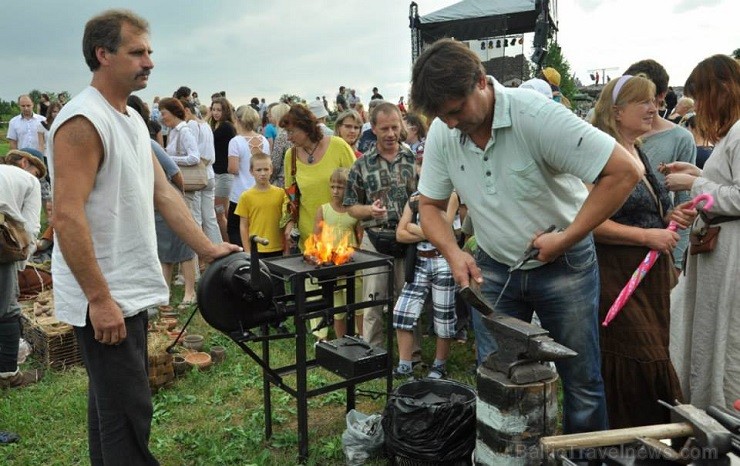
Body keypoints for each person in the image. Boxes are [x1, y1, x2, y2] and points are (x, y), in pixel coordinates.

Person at [410, 38, 641, 434]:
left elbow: (624, 172)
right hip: (494, 268)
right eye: (441, 116)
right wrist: (452, 251)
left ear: (481, 81)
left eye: (456, 110)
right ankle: (510, 456)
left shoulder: (535, 115)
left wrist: (566, 237)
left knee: (581, 380)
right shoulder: (443, 132)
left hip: (565, 265)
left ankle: (583, 462)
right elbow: (429, 206)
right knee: (498, 378)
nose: (450, 123)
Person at [46, 11, 239, 464]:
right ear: (103, 54)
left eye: (149, 50)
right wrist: (99, 298)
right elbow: (67, 216)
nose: (149, 61)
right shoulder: (82, 121)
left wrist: (208, 248)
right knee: (130, 411)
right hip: (105, 294)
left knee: (112, 411)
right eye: (137, 52)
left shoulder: (130, 119)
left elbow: (164, 194)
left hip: (127, 290)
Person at [590, 75, 696, 428]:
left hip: (648, 275)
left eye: (655, 101)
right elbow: (590, 224)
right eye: (644, 103)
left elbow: (652, 212)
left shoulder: (637, 151)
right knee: (635, 353)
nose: (655, 108)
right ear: (617, 112)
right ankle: (630, 438)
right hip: (616, 274)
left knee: (653, 350)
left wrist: (671, 217)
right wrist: (647, 237)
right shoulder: (600, 153)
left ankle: (651, 436)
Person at [663, 54, 740, 411]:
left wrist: (694, 185)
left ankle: (722, 416)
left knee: (726, 339)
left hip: (731, 257)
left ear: (723, 90)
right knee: (713, 334)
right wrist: (698, 173)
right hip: (721, 254)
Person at [343, 101, 423, 361]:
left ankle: (411, 356)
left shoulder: (412, 159)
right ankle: (372, 354)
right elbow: (350, 206)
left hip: (407, 240)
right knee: (372, 302)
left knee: (409, 300)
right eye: (384, 128)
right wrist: (369, 211)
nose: (390, 133)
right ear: (373, 129)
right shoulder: (362, 164)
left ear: (401, 126)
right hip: (374, 240)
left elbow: (425, 198)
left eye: (394, 127)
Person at [623, 59, 696, 274]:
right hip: (610, 251)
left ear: (660, 97)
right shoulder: (608, 136)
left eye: (644, 97)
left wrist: (676, 259)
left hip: (657, 253)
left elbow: (684, 206)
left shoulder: (680, 138)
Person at [393, 154, 460, 380]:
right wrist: (428, 233)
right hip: (419, 261)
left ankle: (439, 365)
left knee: (443, 314)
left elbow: (445, 229)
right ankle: (405, 364)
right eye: (421, 166)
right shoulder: (414, 198)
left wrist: (414, 228)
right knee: (402, 311)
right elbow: (400, 234)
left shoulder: (450, 195)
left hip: (443, 260)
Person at [280, 104, 356, 251]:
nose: (288, 137)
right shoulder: (291, 155)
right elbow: (289, 196)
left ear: (306, 128)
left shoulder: (338, 146)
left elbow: (358, 184)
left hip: (341, 235)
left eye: (291, 132)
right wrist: (289, 222)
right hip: (309, 237)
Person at [0, 150, 45, 390]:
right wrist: (22, 261)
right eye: (37, 173)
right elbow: (30, 227)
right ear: (26, 163)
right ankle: (8, 374)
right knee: (7, 309)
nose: (36, 178)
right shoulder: (29, 181)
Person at [309, 168, 364, 342]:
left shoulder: (355, 212)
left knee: (358, 304)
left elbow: (360, 238)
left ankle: (361, 337)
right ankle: (341, 341)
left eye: (339, 187)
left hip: (352, 263)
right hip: (331, 264)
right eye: (332, 186)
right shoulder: (323, 210)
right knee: (338, 307)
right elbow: (315, 237)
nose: (335, 191)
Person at [159, 97, 200, 305]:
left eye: (163, 113)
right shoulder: (173, 132)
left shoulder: (184, 131)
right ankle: (168, 290)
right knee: (170, 239)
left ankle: (190, 289)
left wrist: (169, 159)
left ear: (173, 112)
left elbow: (194, 157)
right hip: (174, 188)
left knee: (185, 237)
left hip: (185, 188)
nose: (161, 117)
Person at [227, 105, 270, 247]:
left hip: (240, 192)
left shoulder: (235, 141)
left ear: (237, 120)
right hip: (260, 191)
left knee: (236, 230)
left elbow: (233, 168)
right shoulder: (263, 140)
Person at [234, 152, 285, 257]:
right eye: (258, 170)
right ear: (251, 172)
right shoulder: (246, 196)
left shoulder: (281, 193)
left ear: (271, 170)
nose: (263, 173)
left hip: (278, 247)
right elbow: (243, 226)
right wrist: (247, 251)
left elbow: (284, 221)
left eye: (266, 169)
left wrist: (286, 248)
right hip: (256, 248)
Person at [209, 96, 237, 240]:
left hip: (224, 175)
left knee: (220, 214)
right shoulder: (219, 126)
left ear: (225, 111)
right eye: (213, 109)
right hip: (218, 174)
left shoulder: (226, 127)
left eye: (219, 110)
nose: (215, 113)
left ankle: (228, 243)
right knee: (222, 213)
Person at [268, 103, 291, 187]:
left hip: (283, 180)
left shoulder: (281, 136)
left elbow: (275, 164)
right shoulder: (293, 132)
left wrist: (270, 180)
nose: (270, 118)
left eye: (272, 115)